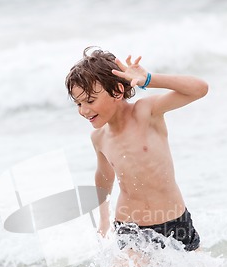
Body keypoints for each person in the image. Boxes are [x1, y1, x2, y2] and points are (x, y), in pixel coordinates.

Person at [65, 47, 208, 253]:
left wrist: (149, 79)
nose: (83, 110)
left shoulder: (146, 112)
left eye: (90, 101)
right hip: (130, 228)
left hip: (175, 224)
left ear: (117, 91)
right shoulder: (99, 137)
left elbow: (199, 89)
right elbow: (104, 178)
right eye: (78, 103)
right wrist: (104, 221)